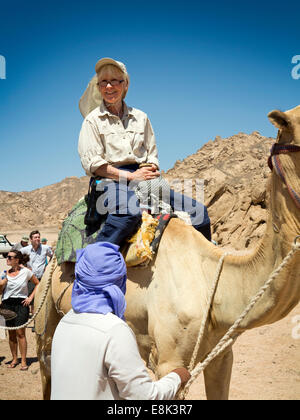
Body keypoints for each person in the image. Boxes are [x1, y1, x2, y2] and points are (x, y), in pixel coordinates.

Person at [78, 57, 211, 246]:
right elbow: (93, 164)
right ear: (98, 87)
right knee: (127, 214)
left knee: (198, 212)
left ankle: (203, 267)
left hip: (143, 175)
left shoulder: (141, 117)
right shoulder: (92, 121)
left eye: (115, 80)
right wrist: (130, 177)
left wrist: (149, 169)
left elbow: (152, 153)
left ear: (125, 85)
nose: (109, 86)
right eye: (104, 82)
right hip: (110, 180)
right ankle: (95, 262)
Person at [51, 242, 190, 400]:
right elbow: (143, 396)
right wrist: (176, 378)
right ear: (120, 281)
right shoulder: (114, 330)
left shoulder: (65, 322)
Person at [0, 251, 39, 370]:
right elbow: (0, 291)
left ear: (17, 260)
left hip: (21, 304)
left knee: (20, 333)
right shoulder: (4, 273)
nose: (7, 258)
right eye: (7, 257)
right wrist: (3, 282)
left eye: (10, 257)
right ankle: (14, 358)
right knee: (11, 334)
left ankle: (23, 360)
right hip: (7, 304)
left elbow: (38, 284)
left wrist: (30, 298)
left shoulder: (26, 272)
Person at [21, 230, 53, 314]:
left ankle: (38, 321)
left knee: (42, 298)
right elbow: (14, 257)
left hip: (42, 278)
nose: (38, 239)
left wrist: (48, 266)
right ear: (31, 239)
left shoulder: (45, 248)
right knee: (31, 301)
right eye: (35, 237)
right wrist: (24, 267)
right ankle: (33, 318)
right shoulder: (25, 249)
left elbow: (53, 256)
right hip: (31, 279)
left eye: (39, 237)